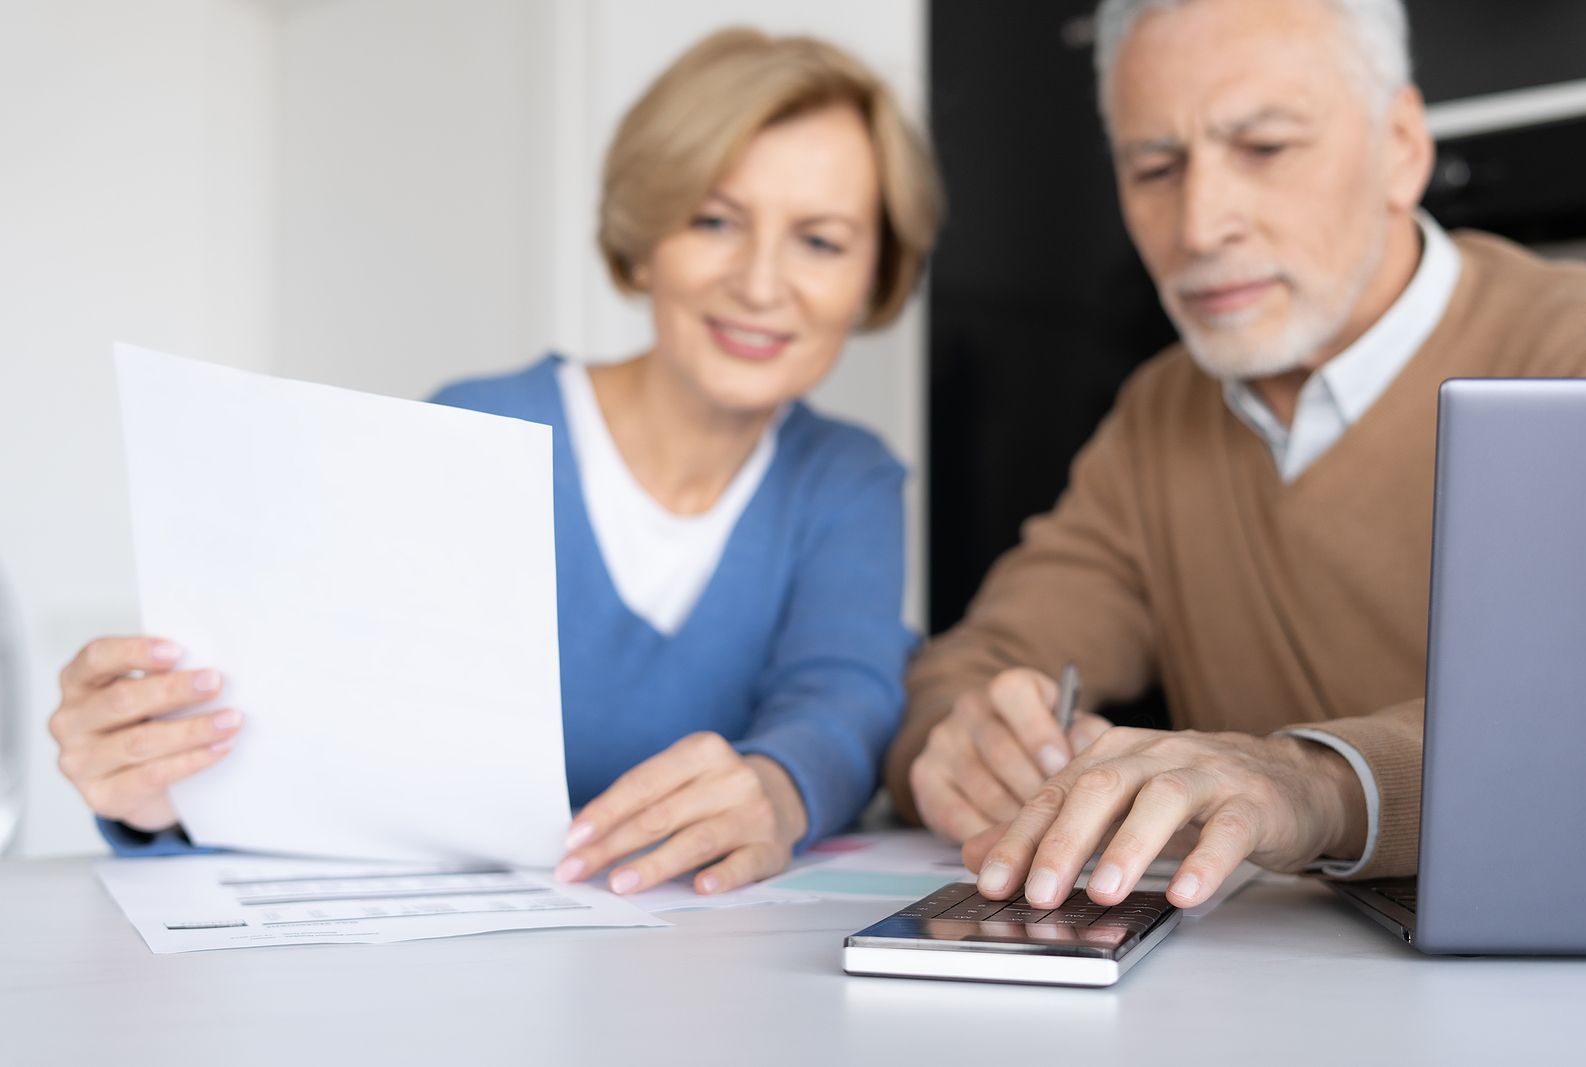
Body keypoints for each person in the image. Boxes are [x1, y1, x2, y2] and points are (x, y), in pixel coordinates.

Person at [49, 28, 943, 896]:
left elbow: (843, 697)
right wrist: (165, 799)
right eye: (715, 220)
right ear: (644, 237)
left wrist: (777, 790)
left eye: (820, 241)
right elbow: (326, 741)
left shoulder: (849, 479)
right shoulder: (476, 428)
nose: (758, 282)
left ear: (877, 276)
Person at [888, 0, 1586, 912]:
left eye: (1264, 149)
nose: (1199, 223)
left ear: (1402, 146)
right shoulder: (1159, 413)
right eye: (1155, 166)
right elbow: (973, 664)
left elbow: (1569, 733)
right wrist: (961, 738)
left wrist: (1312, 783)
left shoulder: (1573, 354)